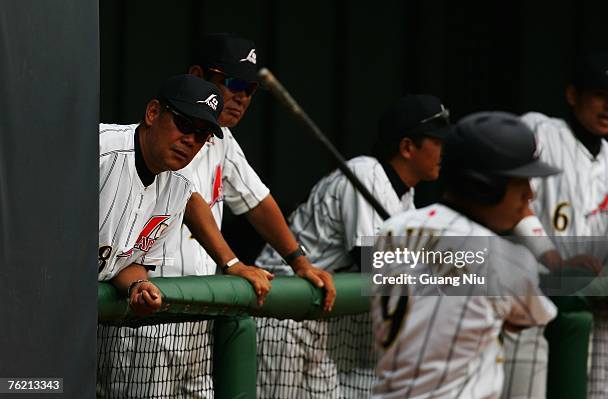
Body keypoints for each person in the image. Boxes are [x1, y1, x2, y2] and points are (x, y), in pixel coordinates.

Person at [254, 94, 452, 398]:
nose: (443, 150)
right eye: (436, 142)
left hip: (316, 315)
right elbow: (372, 261)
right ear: (407, 147)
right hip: (281, 308)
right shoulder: (365, 173)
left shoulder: (406, 197)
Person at [371, 111, 559, 399]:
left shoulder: (393, 227)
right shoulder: (506, 258)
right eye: (520, 182)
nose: (530, 195)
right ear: (483, 186)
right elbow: (526, 319)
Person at [161, 32, 336, 309]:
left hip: (199, 301)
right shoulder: (167, 131)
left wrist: (299, 262)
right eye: (233, 82)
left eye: (250, 89)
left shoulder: (224, 139)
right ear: (197, 75)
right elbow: (189, 200)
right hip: (155, 297)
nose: (242, 97)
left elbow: (257, 202)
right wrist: (233, 263)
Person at [97, 74, 225, 397]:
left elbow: (129, 262)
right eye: (184, 124)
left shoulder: (178, 189)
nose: (191, 140)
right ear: (153, 113)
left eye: (202, 135)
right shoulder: (98, 150)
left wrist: (139, 285)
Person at [518, 51, 608, 399]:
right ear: (573, 95)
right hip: (535, 309)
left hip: (598, 317)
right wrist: (553, 258)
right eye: (601, 95)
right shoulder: (539, 133)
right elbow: (514, 206)